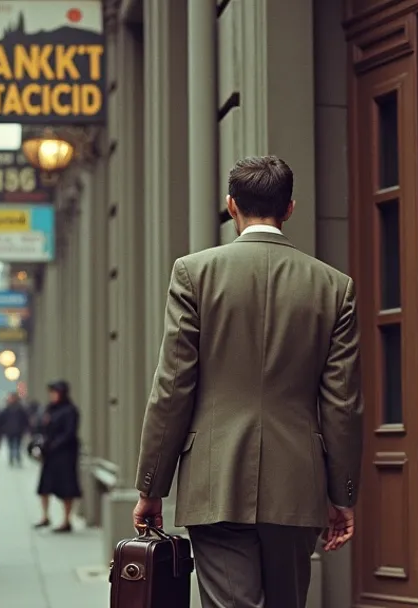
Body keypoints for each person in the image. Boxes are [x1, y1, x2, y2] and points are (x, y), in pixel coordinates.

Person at [133, 156, 363, 608]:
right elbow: (342, 404)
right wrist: (342, 493)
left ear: (230, 205)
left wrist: (151, 487)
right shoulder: (335, 287)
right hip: (298, 483)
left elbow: (172, 387)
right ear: (290, 207)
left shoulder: (193, 273)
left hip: (215, 481)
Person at [34, 381, 81, 532]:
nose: (52, 395)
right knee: (44, 487)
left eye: (55, 392)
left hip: (65, 455)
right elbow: (42, 427)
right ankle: (45, 516)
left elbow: (69, 432)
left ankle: (67, 520)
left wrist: (54, 444)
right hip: (49, 454)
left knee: (66, 488)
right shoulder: (49, 409)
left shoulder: (70, 410)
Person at [0, 393, 30, 467]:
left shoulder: (19, 409)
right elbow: (1, 420)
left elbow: (25, 419)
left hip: (17, 431)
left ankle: (16, 459)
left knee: (16, 446)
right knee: (11, 446)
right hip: (10, 431)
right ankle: (12, 459)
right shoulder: (7, 409)